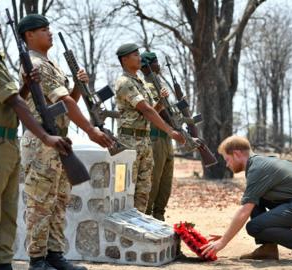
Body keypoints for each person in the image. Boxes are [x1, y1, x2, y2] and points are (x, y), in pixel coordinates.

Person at [0, 4, 71, 270]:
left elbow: (10, 99)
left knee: (8, 210)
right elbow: (14, 103)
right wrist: (46, 136)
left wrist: (24, 86)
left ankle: (2, 262)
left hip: (6, 140)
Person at [17, 14, 113, 270]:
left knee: (59, 201)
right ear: (29, 35)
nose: (49, 33)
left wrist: (80, 86)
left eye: (49, 29)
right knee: (40, 203)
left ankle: (55, 255)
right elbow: (67, 104)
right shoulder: (35, 64)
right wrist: (91, 130)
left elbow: (67, 101)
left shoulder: (52, 65)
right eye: (44, 29)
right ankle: (37, 260)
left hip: (57, 140)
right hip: (41, 143)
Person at [201, 135, 292, 265]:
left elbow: (244, 211)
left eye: (227, 159)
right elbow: (250, 206)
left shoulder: (257, 169)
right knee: (255, 201)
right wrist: (227, 235)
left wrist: (223, 241)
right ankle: (268, 249)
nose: (227, 164)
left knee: (254, 227)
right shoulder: (258, 163)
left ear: (236, 154)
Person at [114, 43, 185, 213]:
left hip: (143, 141)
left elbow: (153, 109)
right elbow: (145, 110)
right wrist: (170, 131)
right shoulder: (124, 82)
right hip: (129, 141)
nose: (140, 58)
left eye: (139, 54)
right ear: (124, 59)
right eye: (135, 55)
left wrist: (160, 101)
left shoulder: (141, 83)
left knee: (144, 191)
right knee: (125, 189)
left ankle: (140, 227)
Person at [139, 51, 174, 221]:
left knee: (165, 183)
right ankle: (147, 217)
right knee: (154, 181)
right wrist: (174, 126)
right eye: (156, 62)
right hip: (156, 138)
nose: (158, 65)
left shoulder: (158, 84)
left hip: (166, 139)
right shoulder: (147, 86)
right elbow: (157, 111)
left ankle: (159, 216)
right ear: (148, 66)